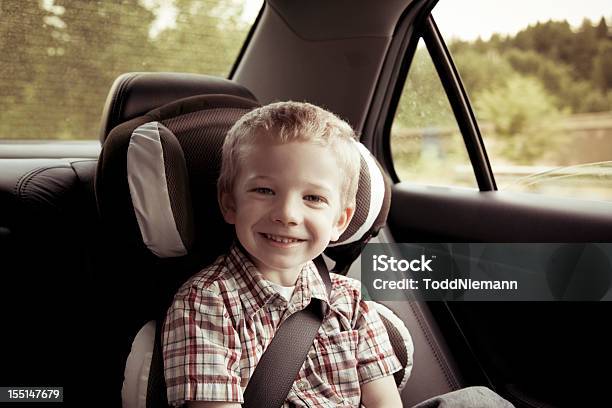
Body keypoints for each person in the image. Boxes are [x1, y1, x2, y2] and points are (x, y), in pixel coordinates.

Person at [162, 101, 403, 407]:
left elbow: (386, 403)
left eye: (313, 198)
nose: (287, 214)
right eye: (264, 191)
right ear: (230, 204)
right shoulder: (206, 302)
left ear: (339, 221)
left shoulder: (350, 301)